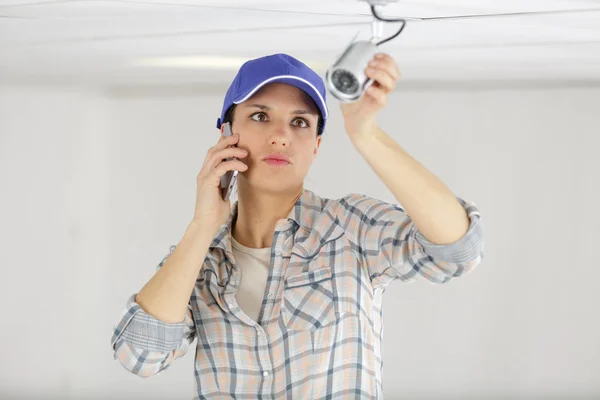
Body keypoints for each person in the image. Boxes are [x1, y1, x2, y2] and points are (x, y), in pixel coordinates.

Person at [111, 52, 484, 399]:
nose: (281, 135)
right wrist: (203, 223)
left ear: (316, 145)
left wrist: (366, 135)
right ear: (226, 134)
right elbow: (139, 355)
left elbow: (457, 251)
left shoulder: (349, 228)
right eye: (260, 116)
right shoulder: (199, 261)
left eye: (300, 122)